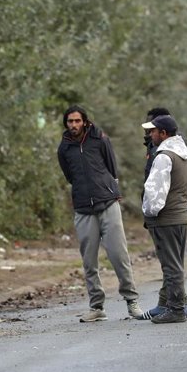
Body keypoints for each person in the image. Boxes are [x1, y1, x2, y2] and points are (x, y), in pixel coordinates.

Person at [57, 105, 143, 322]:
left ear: (84, 121)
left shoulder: (100, 139)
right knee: (89, 260)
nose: (74, 125)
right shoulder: (64, 148)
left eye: (77, 121)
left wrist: (110, 190)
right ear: (66, 124)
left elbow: (111, 167)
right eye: (70, 122)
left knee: (118, 255)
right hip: (84, 209)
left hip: (107, 204)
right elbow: (70, 176)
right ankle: (97, 307)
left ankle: (132, 302)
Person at [138, 107, 187, 321]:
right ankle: (174, 305)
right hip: (181, 216)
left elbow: (155, 192)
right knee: (176, 263)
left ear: (163, 133)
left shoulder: (163, 156)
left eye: (153, 132)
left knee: (170, 266)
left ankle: (177, 309)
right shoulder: (184, 154)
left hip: (166, 219)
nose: (150, 135)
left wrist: (150, 213)